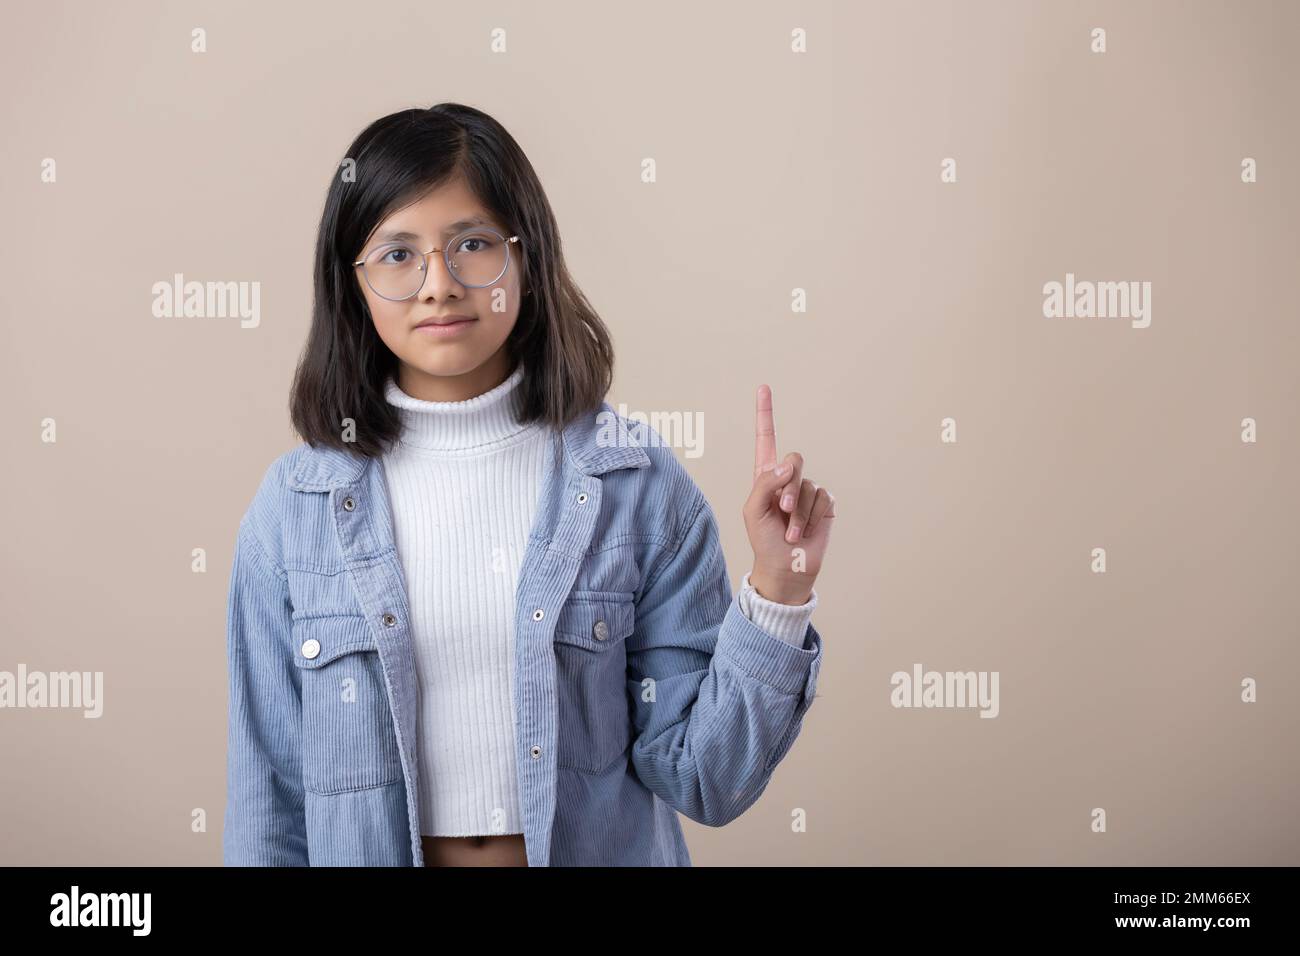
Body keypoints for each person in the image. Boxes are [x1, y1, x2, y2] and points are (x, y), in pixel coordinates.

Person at [223, 102, 835, 867]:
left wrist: (778, 588)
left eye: (472, 245)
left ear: (527, 257)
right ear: (351, 284)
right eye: (397, 254)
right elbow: (269, 803)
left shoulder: (635, 485)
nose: (438, 284)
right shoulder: (293, 511)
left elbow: (704, 778)